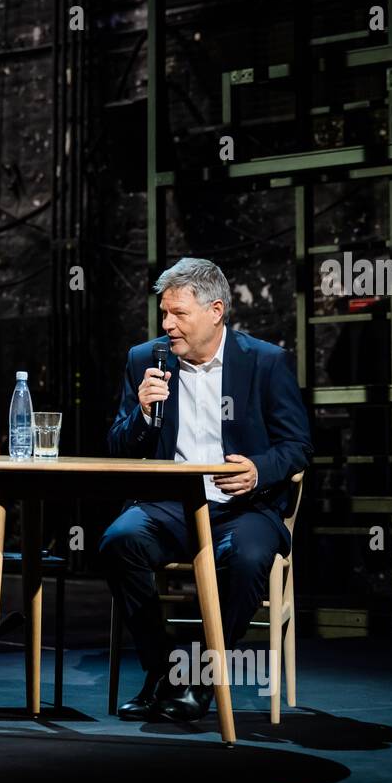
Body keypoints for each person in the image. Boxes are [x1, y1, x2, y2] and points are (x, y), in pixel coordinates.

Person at [100, 257, 312, 724]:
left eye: (179, 314)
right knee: (119, 542)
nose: (167, 324)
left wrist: (258, 469)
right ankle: (165, 669)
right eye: (164, 313)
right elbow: (117, 445)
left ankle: (202, 677)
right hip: (170, 506)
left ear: (216, 311)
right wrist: (142, 412)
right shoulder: (145, 360)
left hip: (244, 507)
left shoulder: (265, 362)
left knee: (251, 557)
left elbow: (297, 446)